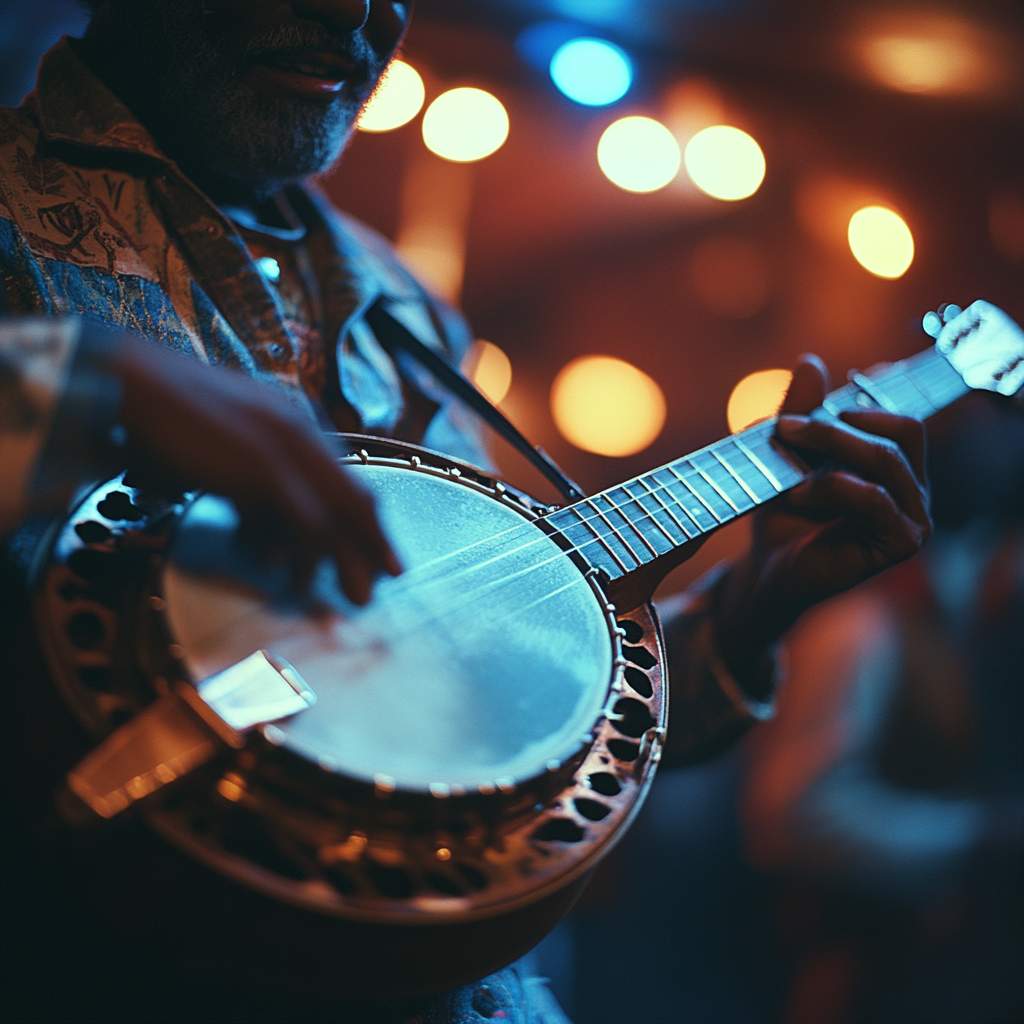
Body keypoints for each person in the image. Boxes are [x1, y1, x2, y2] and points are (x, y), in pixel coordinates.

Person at [0, 2, 934, 1021]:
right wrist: (82, 382)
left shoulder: (406, 303)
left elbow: (508, 724)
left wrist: (752, 604)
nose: (353, 13)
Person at [743, 392, 1024, 1024]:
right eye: (974, 412)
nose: (1001, 436)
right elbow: (791, 820)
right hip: (873, 980)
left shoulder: (989, 594)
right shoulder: (859, 616)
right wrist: (981, 837)